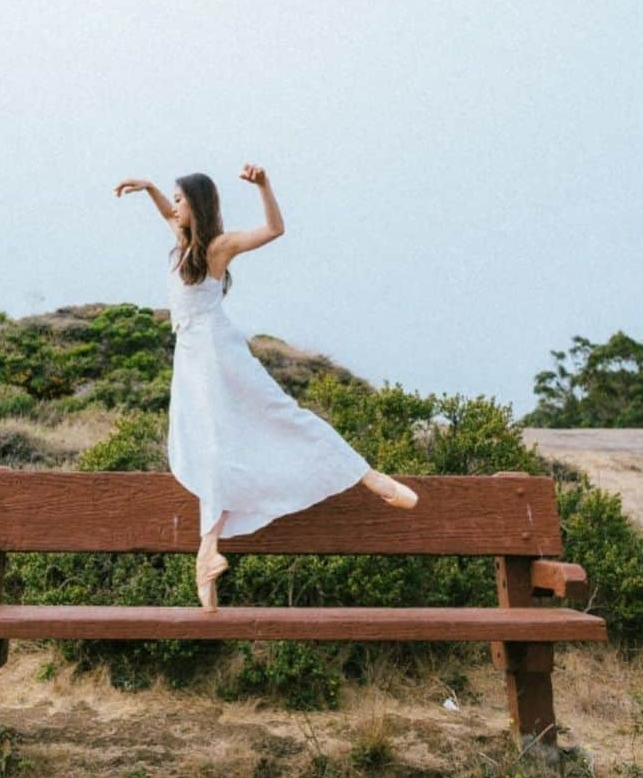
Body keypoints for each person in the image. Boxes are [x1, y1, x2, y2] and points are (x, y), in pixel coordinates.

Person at [113, 164, 418, 611]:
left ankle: (369, 478)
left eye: (179, 200)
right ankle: (207, 553)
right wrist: (151, 190)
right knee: (209, 445)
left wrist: (264, 186)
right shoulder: (182, 249)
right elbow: (166, 215)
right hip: (193, 360)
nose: (172, 207)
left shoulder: (218, 248)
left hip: (219, 353)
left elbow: (275, 229)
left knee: (281, 414)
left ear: (195, 205)